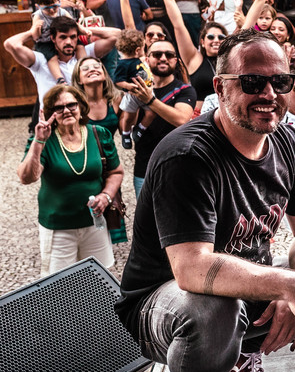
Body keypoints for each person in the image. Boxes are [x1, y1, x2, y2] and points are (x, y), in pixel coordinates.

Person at [115, 29, 295, 372]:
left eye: (280, 81)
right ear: (221, 88)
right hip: (164, 303)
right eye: (253, 82)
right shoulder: (187, 156)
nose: (270, 94)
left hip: (244, 291)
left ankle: (254, 362)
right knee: (213, 308)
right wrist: (289, 287)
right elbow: (192, 269)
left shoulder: (288, 142)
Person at [18, 85, 123, 276]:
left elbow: (116, 172)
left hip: (95, 223)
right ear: (50, 113)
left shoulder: (99, 133)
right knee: (61, 283)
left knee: (99, 278)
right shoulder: (45, 139)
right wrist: (39, 141)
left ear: (81, 106)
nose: (66, 110)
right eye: (59, 108)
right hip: (58, 228)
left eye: (71, 105)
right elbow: (26, 177)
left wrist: (106, 196)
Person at [126, 37, 197, 197]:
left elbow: (181, 120)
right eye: (157, 54)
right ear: (147, 59)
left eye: (169, 55)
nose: (163, 58)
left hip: (177, 170)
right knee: (146, 214)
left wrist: (150, 100)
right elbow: (128, 126)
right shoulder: (136, 89)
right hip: (144, 170)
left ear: (175, 61)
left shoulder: (185, 90)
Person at [4, 15, 119, 112]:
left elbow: (117, 35)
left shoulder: (86, 53)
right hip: (52, 122)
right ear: (53, 38)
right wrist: (32, 32)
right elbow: (10, 44)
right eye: (63, 37)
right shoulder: (40, 60)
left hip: (82, 120)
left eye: (73, 37)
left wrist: (83, 29)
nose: (68, 42)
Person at [71, 55, 122, 134]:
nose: (92, 69)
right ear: (78, 80)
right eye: (85, 68)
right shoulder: (73, 105)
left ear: (104, 74)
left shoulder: (116, 99)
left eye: (97, 66)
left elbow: (125, 131)